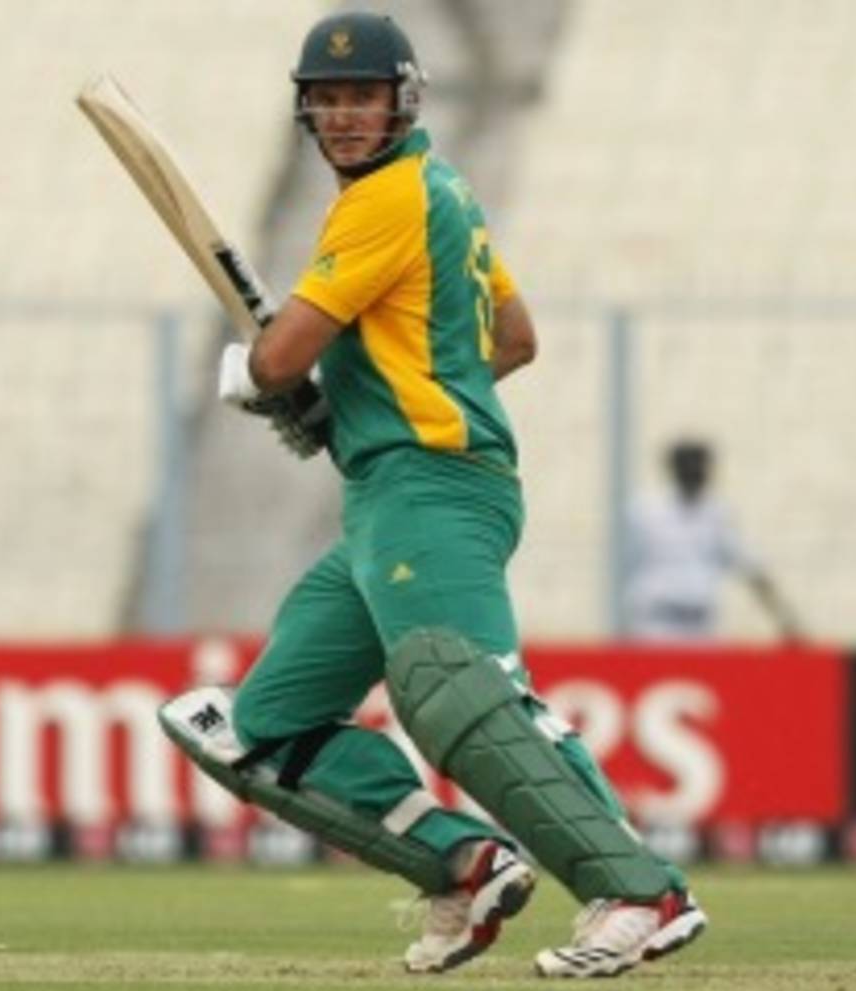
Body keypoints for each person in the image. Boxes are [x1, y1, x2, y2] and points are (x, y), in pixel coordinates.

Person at [157, 9, 705, 980]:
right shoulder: (443, 190)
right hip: (387, 493)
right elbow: (513, 339)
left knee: (455, 685)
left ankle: (639, 888)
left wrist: (260, 378)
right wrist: (367, 404)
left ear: (403, 99)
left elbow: (281, 353)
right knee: (256, 726)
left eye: (360, 95)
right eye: (325, 99)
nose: (342, 115)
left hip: (434, 487)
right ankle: (463, 864)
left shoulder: (388, 197)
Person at [624, 439, 802, 641]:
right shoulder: (646, 512)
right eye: (688, 466)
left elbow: (750, 566)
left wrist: (785, 617)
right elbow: (625, 565)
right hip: (656, 622)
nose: (694, 472)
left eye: (699, 466)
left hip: (700, 623)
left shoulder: (717, 514)